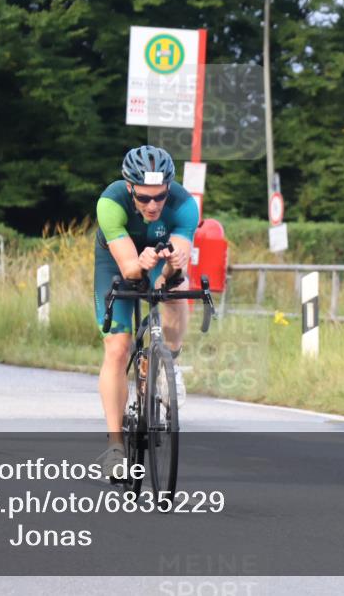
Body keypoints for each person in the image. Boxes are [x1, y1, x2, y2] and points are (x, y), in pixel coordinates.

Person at [93, 145, 198, 478]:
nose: (153, 205)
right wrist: (140, 263)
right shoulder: (111, 202)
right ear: (129, 188)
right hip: (118, 262)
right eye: (143, 198)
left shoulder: (184, 205)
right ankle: (115, 447)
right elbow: (130, 270)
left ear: (169, 189)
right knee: (118, 347)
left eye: (160, 197)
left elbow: (174, 270)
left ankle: (169, 363)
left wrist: (172, 267)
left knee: (177, 288)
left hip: (158, 261)